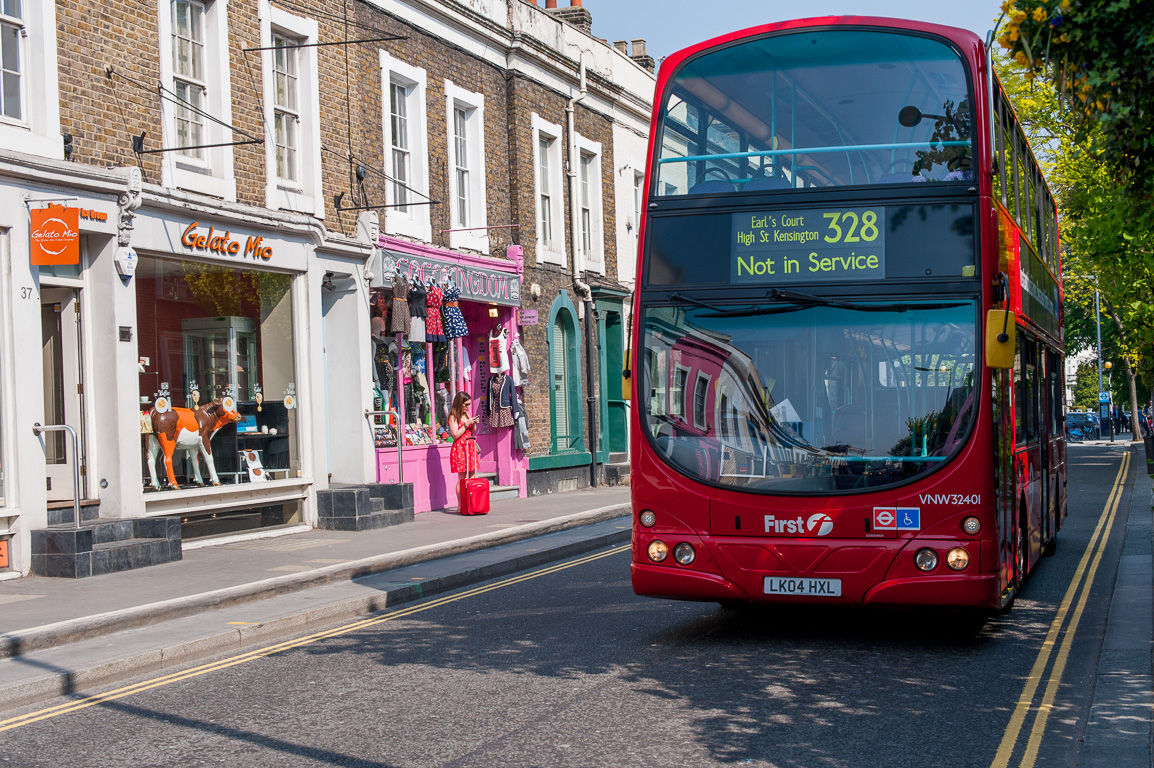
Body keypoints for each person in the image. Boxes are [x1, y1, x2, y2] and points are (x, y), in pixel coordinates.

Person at [448, 392, 479, 510]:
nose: (467, 407)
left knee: (472, 475)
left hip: (469, 446)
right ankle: (461, 505)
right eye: (465, 404)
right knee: (462, 477)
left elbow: (472, 431)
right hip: (460, 447)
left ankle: (471, 503)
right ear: (459, 403)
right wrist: (466, 424)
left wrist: (473, 424)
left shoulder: (466, 414)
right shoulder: (453, 416)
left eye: (469, 404)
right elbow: (455, 434)